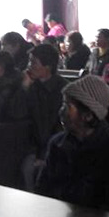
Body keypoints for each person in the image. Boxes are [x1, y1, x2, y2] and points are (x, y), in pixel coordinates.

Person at [36, 75, 109, 214]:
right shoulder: (57, 144)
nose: (61, 111)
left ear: (88, 115)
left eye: (68, 106)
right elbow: (42, 191)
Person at [22, 44, 68, 191]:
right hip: (30, 143)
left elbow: (50, 126)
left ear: (48, 66)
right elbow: (17, 112)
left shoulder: (62, 90)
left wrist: (43, 155)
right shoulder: (31, 85)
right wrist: (24, 88)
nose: (29, 66)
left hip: (54, 146)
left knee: (29, 168)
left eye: (34, 62)